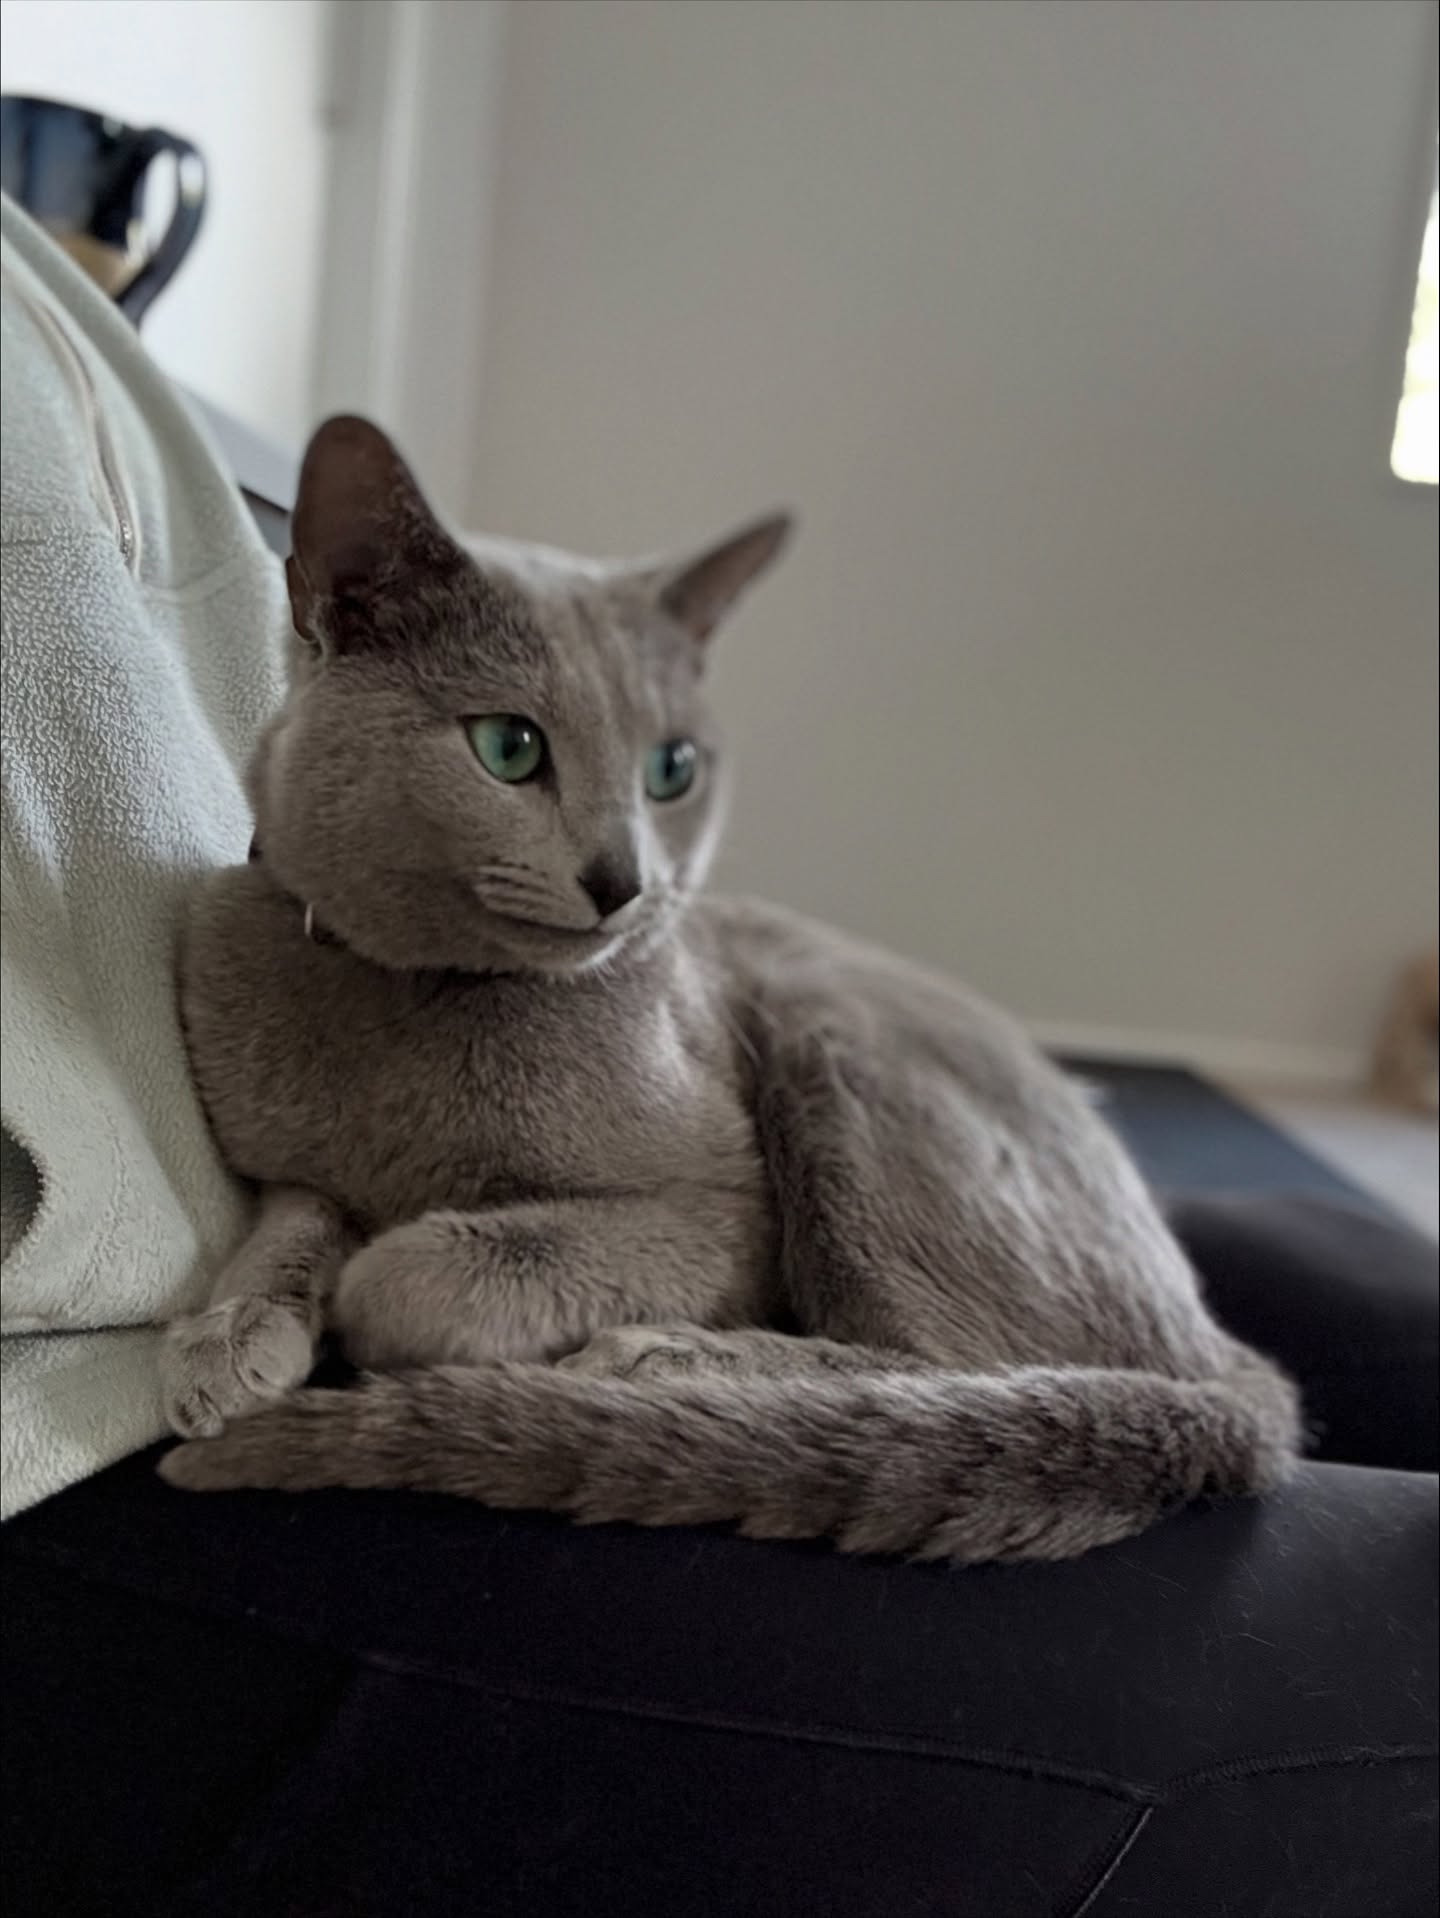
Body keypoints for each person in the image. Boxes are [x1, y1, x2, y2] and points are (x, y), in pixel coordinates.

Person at [1, 196, 1435, 1918]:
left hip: (867, 1182)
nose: (628, 873)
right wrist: (300, 1254)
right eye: (520, 752)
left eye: (666, 780)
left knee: (1351, 1270)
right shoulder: (238, 953)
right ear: (342, 616)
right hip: (135, 1532)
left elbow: (726, 1210)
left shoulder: (629, 949)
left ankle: (915, 1382)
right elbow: (332, 1159)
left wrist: (450, 1273)